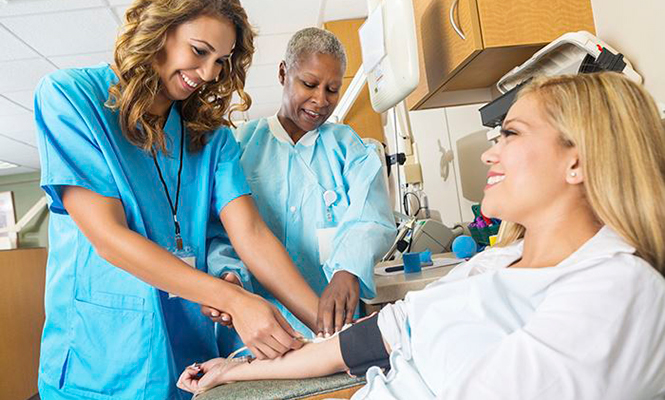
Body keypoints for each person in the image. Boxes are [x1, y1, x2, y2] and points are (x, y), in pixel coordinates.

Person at [178, 72, 665, 399]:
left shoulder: (617, 289)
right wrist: (235, 369)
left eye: (511, 134)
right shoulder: (494, 264)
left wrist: (349, 271)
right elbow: (374, 337)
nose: (488, 154)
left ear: (578, 159)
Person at [34, 1, 323, 398]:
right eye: (200, 51)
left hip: (189, 350)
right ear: (159, 31)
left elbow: (250, 233)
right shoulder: (70, 99)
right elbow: (108, 237)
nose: (208, 74)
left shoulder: (211, 136)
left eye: (221, 60)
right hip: (101, 356)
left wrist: (331, 332)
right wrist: (232, 299)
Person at [202, 27, 396, 350]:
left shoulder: (351, 150)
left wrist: (348, 268)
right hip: (255, 338)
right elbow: (220, 232)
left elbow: (370, 217)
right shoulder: (239, 148)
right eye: (309, 84)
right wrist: (228, 276)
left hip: (334, 333)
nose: (320, 100)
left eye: (332, 90)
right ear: (283, 73)